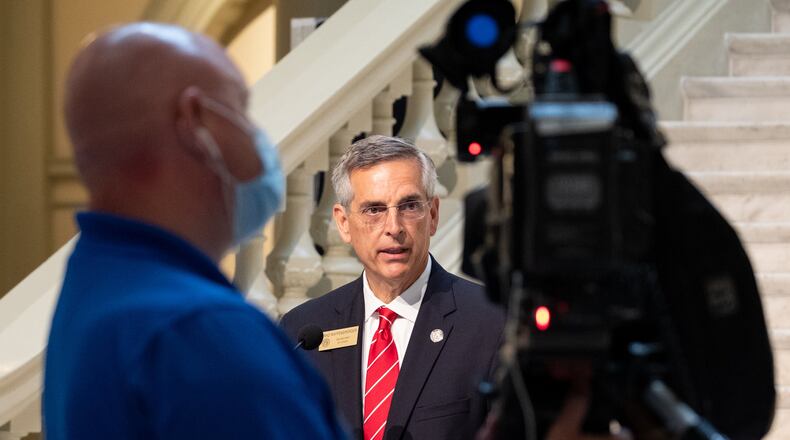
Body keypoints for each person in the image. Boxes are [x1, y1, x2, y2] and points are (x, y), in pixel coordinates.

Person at [43, 22, 346, 440]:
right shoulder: (197, 329)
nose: (256, 134)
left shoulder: (95, 283)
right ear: (195, 121)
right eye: (240, 108)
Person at [280, 135, 506, 440]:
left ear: (433, 215)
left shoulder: (492, 322)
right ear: (344, 222)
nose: (394, 227)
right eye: (374, 210)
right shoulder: (303, 332)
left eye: (409, 206)